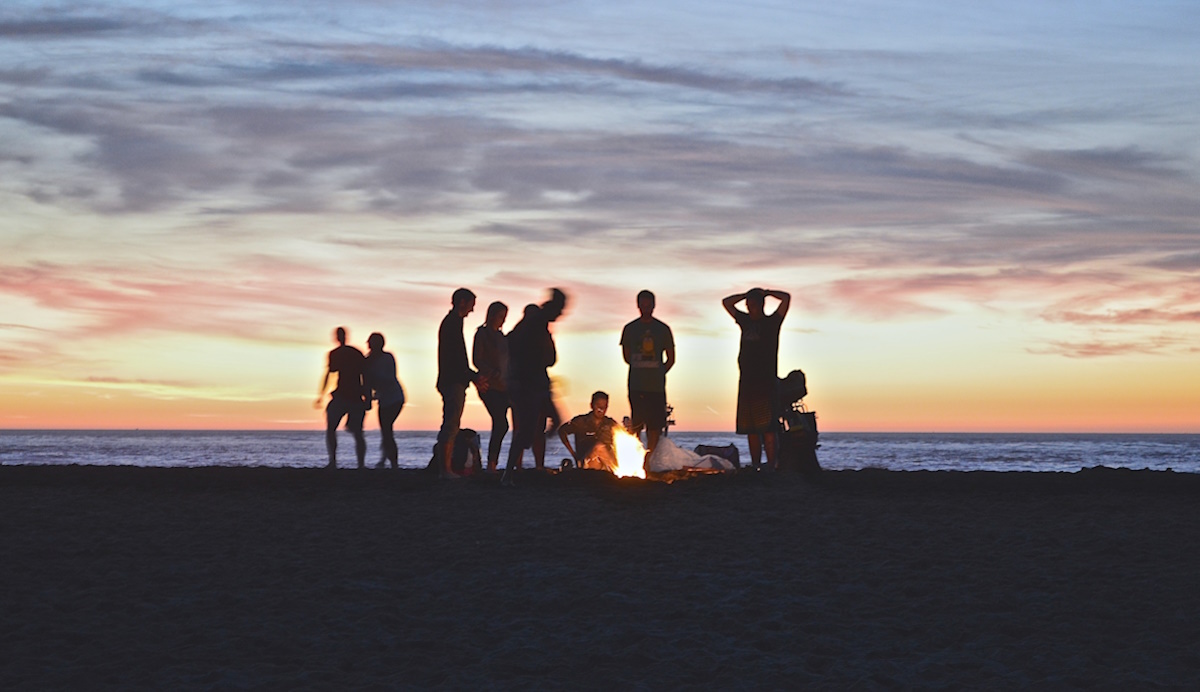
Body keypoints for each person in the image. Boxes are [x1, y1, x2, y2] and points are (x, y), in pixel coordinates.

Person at [502, 289, 567, 486]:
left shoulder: (538, 326)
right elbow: (548, 358)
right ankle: (508, 473)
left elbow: (550, 358)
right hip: (528, 384)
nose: (561, 315)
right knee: (526, 433)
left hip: (536, 383)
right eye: (560, 309)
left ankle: (515, 466)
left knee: (554, 422)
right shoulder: (535, 324)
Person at [723, 287, 791, 469]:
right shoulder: (744, 321)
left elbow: (786, 298)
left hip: (766, 381)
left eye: (752, 304)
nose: (749, 307)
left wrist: (767, 292)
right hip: (746, 382)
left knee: (768, 428)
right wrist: (745, 294)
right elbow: (726, 302)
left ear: (760, 305)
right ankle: (755, 464)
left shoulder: (772, 322)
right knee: (750, 429)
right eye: (748, 304)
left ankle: (771, 465)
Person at [437, 288, 486, 479]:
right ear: (462, 302)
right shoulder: (452, 324)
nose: (472, 310)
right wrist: (472, 377)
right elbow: (456, 358)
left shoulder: (453, 323)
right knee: (451, 424)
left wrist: (471, 377)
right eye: (471, 305)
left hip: (453, 379)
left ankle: (446, 469)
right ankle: (445, 470)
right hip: (452, 380)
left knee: (451, 423)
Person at [620, 290, 674, 461]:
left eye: (648, 305)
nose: (645, 308)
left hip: (656, 387)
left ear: (654, 305)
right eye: (642, 305)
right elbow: (627, 357)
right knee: (636, 424)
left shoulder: (663, 329)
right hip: (636, 385)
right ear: (638, 305)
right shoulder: (630, 329)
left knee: (655, 426)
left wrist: (658, 372)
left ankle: (648, 461)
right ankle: (635, 458)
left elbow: (671, 358)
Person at [314, 326, 368, 469]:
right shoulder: (349, 353)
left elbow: (364, 375)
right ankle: (337, 461)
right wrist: (321, 394)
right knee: (340, 429)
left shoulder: (345, 353)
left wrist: (367, 396)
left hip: (351, 396)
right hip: (347, 395)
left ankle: (347, 463)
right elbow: (330, 374)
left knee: (353, 432)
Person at [473, 301, 510, 472]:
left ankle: (496, 464)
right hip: (489, 385)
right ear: (492, 315)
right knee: (501, 423)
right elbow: (476, 359)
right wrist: (491, 372)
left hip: (505, 386)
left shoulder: (503, 338)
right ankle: (491, 464)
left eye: (504, 317)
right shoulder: (482, 334)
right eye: (500, 316)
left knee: (502, 423)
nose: (502, 320)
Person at [364, 332, 405, 469]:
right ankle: (385, 460)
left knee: (387, 430)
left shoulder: (387, 358)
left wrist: (372, 379)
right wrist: (369, 398)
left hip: (395, 398)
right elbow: (367, 383)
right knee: (386, 430)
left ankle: (393, 463)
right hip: (384, 399)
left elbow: (390, 378)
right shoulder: (368, 361)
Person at [559, 391, 619, 471]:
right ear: (592, 405)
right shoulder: (581, 422)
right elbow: (562, 431)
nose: (601, 409)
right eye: (598, 406)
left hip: (606, 464)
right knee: (599, 447)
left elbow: (624, 436)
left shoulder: (610, 424)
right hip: (588, 463)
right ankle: (617, 471)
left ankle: (617, 471)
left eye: (604, 406)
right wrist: (574, 455)